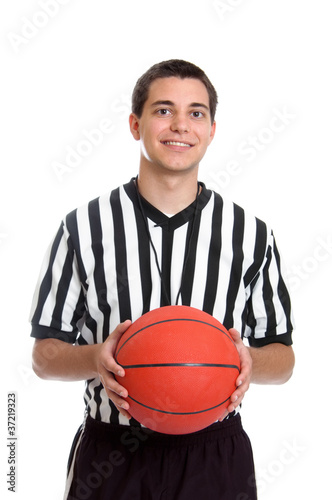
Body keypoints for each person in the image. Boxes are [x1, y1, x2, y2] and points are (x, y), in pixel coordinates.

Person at [30, 59, 295, 500]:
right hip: (113, 454)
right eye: (163, 110)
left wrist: (249, 361)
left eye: (196, 113)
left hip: (215, 454)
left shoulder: (251, 234)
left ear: (212, 130)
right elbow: (43, 357)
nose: (180, 126)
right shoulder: (83, 228)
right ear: (136, 124)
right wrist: (96, 356)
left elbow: (283, 359)